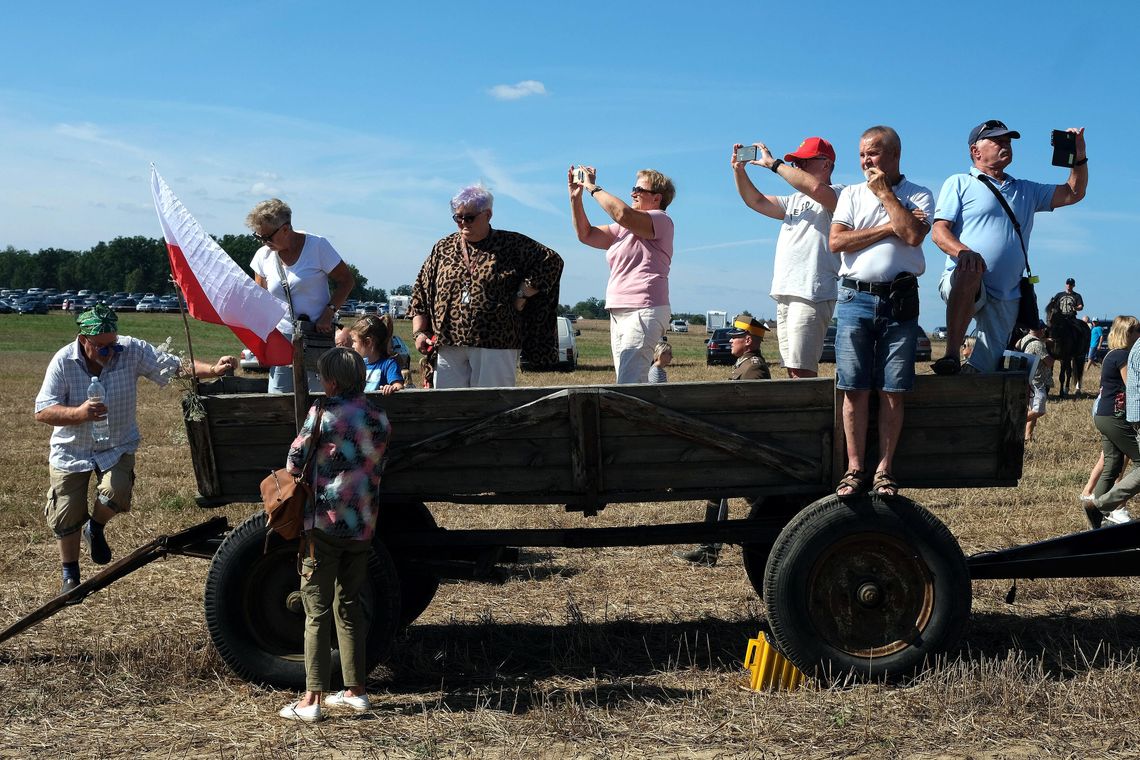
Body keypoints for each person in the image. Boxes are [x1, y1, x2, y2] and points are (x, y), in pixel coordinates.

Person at [34, 305, 236, 595]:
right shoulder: (63, 362)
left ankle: (95, 528)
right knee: (66, 511)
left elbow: (173, 366)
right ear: (83, 340)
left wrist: (212, 370)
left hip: (116, 444)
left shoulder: (130, 350)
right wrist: (79, 413)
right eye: (102, 347)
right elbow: (42, 411)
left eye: (113, 345)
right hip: (72, 449)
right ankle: (70, 577)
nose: (110, 353)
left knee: (116, 491)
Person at [278, 348, 391, 722]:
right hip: (363, 525)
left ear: (332, 381)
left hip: (324, 524)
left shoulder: (323, 413)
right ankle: (356, 691)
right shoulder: (379, 416)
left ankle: (311, 699)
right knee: (350, 605)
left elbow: (294, 461)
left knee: (316, 610)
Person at [931, 121, 1088, 375]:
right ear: (975, 151)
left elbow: (1074, 192)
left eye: (1008, 141)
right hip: (963, 280)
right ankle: (951, 354)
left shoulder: (1026, 190)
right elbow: (939, 232)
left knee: (983, 370)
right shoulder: (959, 182)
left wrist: (1078, 156)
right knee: (971, 269)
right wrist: (964, 252)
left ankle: (968, 388)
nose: (1006, 145)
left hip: (1006, 293)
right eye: (997, 141)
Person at [828, 126, 933, 499]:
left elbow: (914, 236)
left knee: (893, 390)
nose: (865, 161)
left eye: (872, 153)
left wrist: (887, 195)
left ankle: (884, 470)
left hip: (899, 300)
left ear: (894, 155)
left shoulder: (918, 193)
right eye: (861, 154)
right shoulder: (851, 194)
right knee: (853, 388)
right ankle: (855, 468)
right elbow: (837, 241)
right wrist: (891, 225)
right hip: (854, 298)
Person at [410, 185, 563, 389]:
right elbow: (421, 290)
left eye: (469, 217)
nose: (463, 223)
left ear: (488, 215)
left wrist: (523, 293)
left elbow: (551, 261)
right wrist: (419, 332)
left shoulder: (512, 244)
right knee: (448, 404)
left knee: (493, 403)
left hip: (495, 343)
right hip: (448, 342)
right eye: (458, 217)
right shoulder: (443, 247)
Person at [730, 137, 843, 378]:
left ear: (826, 164)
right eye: (796, 162)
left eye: (804, 161)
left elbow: (816, 189)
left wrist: (775, 164)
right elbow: (755, 201)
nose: (797, 166)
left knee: (802, 371)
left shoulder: (840, 194)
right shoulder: (794, 200)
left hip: (812, 293)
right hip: (786, 292)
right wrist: (739, 171)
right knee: (793, 370)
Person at [675, 315, 769, 565]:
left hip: (746, 447)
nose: (731, 341)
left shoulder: (753, 368)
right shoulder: (746, 364)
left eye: (736, 337)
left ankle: (710, 549)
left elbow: (751, 412)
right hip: (739, 444)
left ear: (748, 341)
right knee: (735, 492)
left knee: (726, 487)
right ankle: (709, 548)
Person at [569, 166, 676, 384]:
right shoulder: (623, 229)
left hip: (644, 308)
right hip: (619, 311)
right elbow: (586, 234)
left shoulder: (661, 220)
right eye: (633, 188)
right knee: (626, 380)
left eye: (639, 189)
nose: (632, 193)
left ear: (657, 198)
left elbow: (622, 214)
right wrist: (575, 198)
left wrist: (592, 187)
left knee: (629, 381)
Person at [247, 199, 356, 394]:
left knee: (318, 397)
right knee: (279, 399)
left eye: (267, 237)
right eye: (259, 237)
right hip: (280, 339)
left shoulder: (317, 246)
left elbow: (347, 281)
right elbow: (260, 301)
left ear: (285, 229)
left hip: (315, 337)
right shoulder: (263, 256)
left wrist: (328, 314)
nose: (264, 242)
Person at [1080, 316, 1140, 527]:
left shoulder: (1110, 355)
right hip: (1115, 416)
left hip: (1103, 414)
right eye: (1137, 331)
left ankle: (1095, 517)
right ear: (1127, 333)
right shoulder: (1123, 356)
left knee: (1112, 464)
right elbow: (1131, 385)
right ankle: (1102, 506)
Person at [1015, 320, 1054, 442]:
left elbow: (1017, 347)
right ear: (1041, 330)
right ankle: (1014, 422)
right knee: (1039, 410)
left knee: (1032, 407)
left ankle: (1028, 436)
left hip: (1027, 378)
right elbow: (1049, 362)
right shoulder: (1038, 344)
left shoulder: (1023, 340)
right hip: (1038, 381)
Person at [348, 315, 404, 394]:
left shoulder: (388, 365)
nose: (352, 346)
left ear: (368, 342)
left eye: (354, 341)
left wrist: (391, 388)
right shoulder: (357, 365)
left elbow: (399, 386)